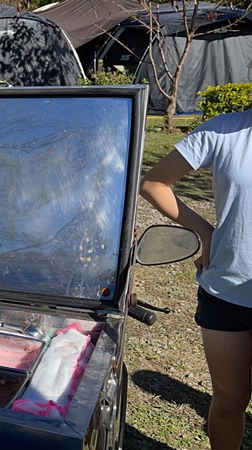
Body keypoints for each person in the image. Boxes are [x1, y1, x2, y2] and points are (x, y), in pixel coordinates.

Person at [139, 108, 252, 450]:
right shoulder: (224, 131)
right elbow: (153, 183)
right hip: (226, 294)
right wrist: (204, 230)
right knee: (230, 403)